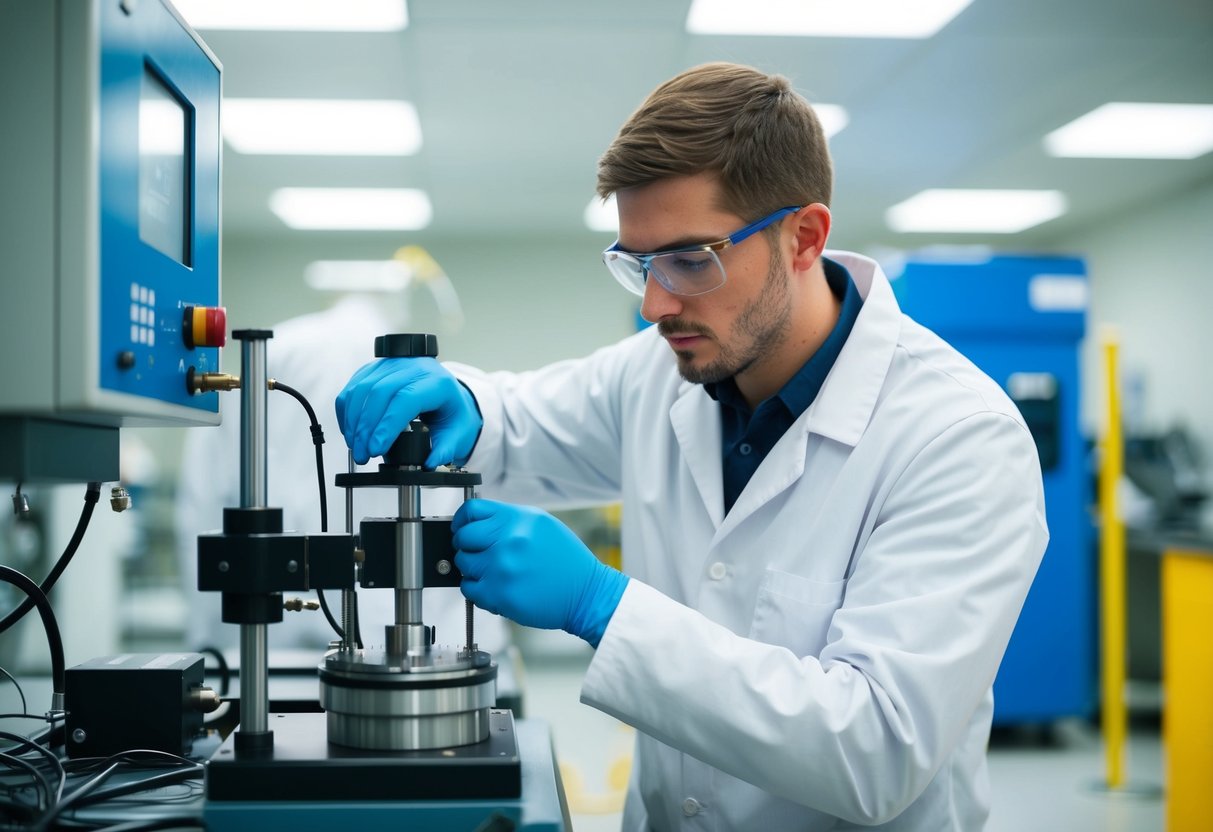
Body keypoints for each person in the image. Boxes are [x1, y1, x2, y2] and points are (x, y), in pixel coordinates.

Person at [335, 63, 1047, 831]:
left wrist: (601, 608)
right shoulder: (664, 367)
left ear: (802, 237)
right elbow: (525, 418)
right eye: (637, 262)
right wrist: (464, 400)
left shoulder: (956, 437)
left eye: (687, 259)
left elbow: (875, 748)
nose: (653, 303)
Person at [175, 294, 507, 656]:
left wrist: (209, 640)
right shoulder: (427, 379)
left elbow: (201, 498)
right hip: (447, 650)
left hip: (280, 646)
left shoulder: (279, 352)